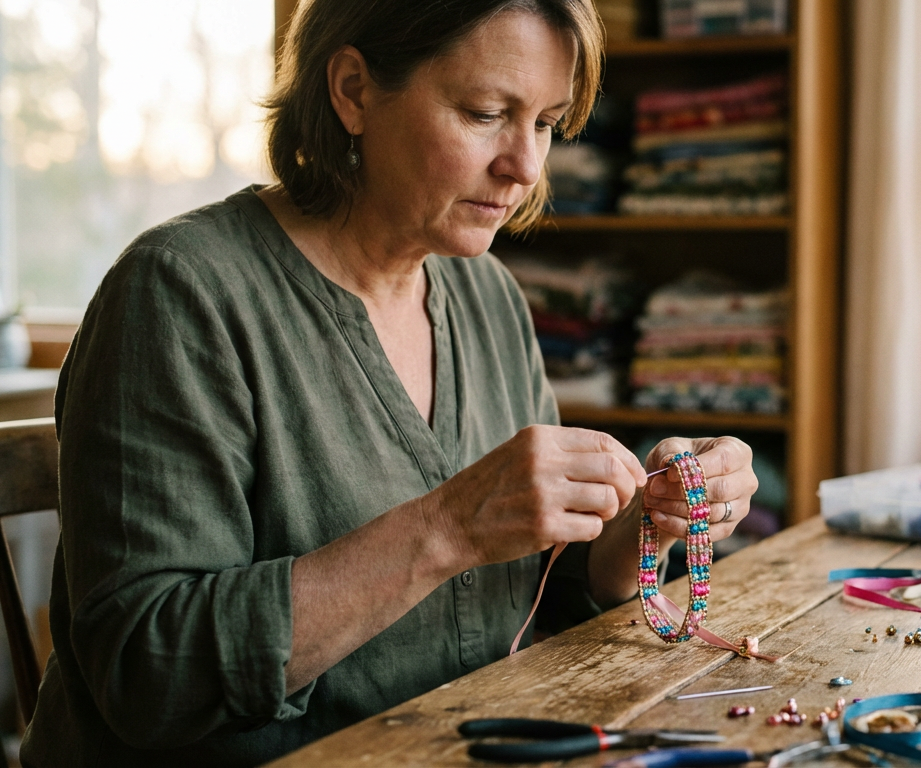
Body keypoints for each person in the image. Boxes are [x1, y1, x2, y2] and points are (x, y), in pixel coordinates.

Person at [22, 1, 758, 765]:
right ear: (352, 91)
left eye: (545, 122)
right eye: (484, 113)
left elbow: (545, 589)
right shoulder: (179, 294)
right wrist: (446, 527)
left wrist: (648, 523)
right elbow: (148, 675)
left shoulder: (488, 298)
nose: (527, 166)